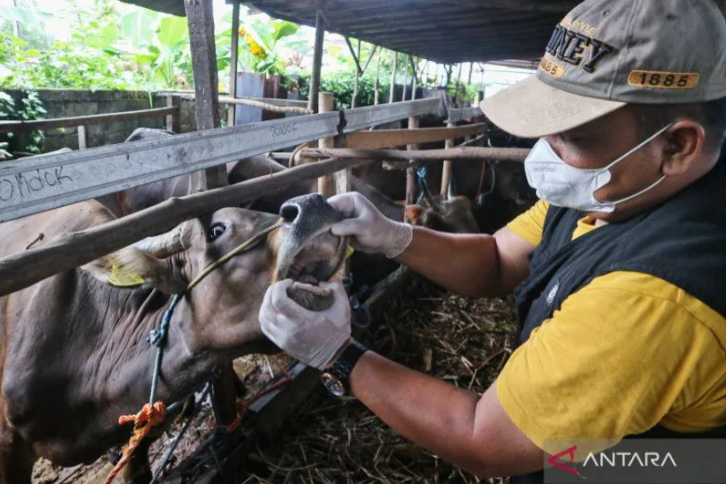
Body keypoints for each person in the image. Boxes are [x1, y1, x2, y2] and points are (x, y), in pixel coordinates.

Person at [259, 0, 726, 481]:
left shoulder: (658, 300)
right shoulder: (614, 189)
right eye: (546, 131)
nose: (549, 154)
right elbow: (499, 258)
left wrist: (340, 356)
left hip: (635, 469)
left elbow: (486, 441)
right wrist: (395, 235)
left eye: (575, 137)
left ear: (677, 145)